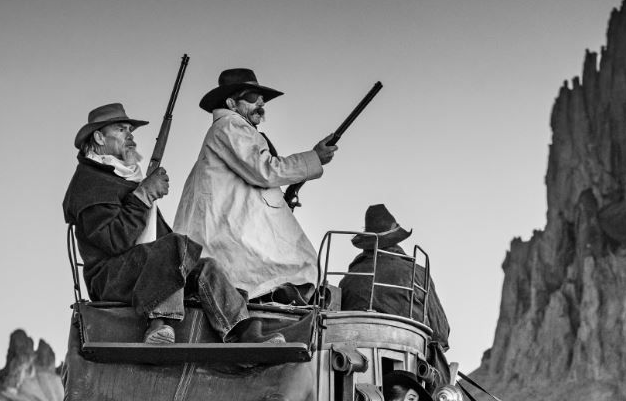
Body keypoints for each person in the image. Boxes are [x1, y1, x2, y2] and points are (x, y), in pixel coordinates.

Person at [62, 103, 280, 344]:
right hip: (109, 277)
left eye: (130, 130)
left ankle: (242, 332)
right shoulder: (90, 183)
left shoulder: (121, 176)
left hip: (138, 271)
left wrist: (184, 259)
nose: (131, 136)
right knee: (175, 246)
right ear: (99, 137)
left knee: (206, 267)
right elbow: (114, 241)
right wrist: (143, 196)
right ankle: (159, 323)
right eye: (122, 129)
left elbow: (154, 239)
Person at [173, 68, 338, 302]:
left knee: (298, 263)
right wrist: (314, 158)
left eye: (262, 98)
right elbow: (265, 170)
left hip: (234, 224)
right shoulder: (230, 126)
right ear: (231, 103)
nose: (261, 102)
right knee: (298, 262)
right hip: (229, 230)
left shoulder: (234, 129)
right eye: (252, 96)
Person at [338, 205, 451, 349]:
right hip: (410, 353)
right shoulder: (418, 273)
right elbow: (441, 333)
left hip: (353, 352)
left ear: (367, 244)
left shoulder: (349, 279)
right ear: (395, 239)